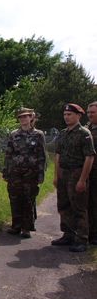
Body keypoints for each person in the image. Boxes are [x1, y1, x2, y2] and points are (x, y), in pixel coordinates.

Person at [52, 103, 95, 252]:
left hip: (77, 173)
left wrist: (83, 179)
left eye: (69, 114)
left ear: (78, 116)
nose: (66, 117)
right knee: (63, 205)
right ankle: (68, 234)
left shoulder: (84, 133)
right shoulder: (63, 133)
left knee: (79, 207)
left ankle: (82, 239)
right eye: (65, 114)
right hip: (63, 173)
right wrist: (56, 175)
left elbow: (89, 157)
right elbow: (57, 155)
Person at [2, 108, 46, 238]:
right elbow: (8, 154)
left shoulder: (38, 135)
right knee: (15, 198)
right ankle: (16, 226)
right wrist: (6, 171)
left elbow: (42, 155)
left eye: (26, 117)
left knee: (28, 199)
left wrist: (41, 173)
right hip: (15, 173)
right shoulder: (14, 134)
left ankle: (26, 228)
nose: (23, 119)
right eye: (21, 117)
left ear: (31, 118)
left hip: (31, 173)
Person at [87, 101, 97, 245]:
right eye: (88, 113)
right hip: (87, 172)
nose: (89, 115)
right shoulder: (87, 128)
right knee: (88, 203)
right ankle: (89, 232)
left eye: (92, 113)